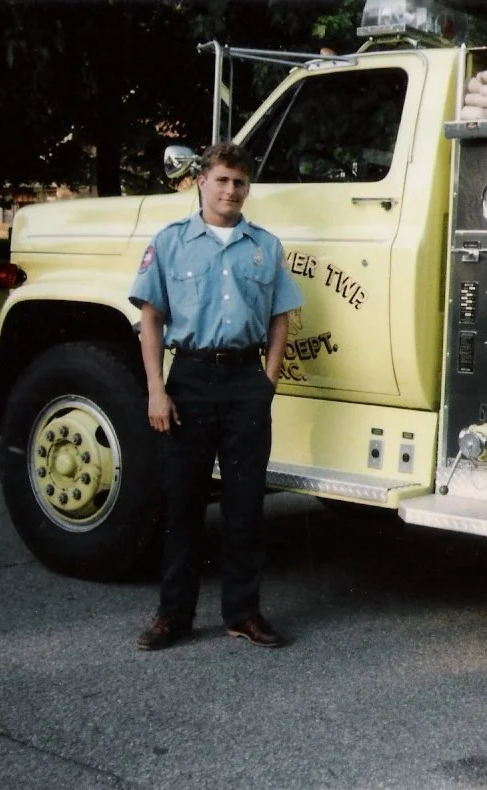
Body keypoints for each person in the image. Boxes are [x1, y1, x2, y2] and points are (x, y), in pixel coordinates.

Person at [128, 141, 303, 651]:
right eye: (222, 180)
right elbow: (151, 319)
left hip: (246, 381)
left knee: (245, 506)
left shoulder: (264, 247)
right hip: (190, 382)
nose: (231, 190)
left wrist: (266, 383)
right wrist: (157, 390)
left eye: (240, 182)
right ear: (201, 181)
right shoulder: (171, 242)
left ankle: (242, 613)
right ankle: (173, 615)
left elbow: (279, 318)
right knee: (181, 504)